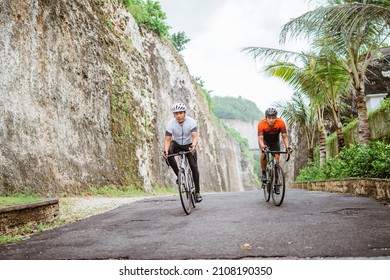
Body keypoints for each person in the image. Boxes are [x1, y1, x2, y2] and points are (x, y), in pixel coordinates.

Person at [162, 102, 202, 203]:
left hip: (189, 144)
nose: (178, 115)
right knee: (169, 152)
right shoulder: (171, 124)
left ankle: (197, 192)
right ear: (173, 115)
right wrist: (165, 151)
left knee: (194, 167)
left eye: (180, 113)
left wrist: (193, 146)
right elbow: (167, 140)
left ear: (185, 113)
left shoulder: (191, 122)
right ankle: (179, 175)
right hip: (177, 144)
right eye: (176, 113)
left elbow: (194, 136)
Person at [258, 108, 292, 193]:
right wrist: (263, 147)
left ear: (276, 118)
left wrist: (288, 147)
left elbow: (284, 137)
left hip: (275, 142)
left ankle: (276, 184)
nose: (271, 120)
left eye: (273, 118)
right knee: (264, 153)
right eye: (269, 118)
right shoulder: (261, 124)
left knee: (276, 161)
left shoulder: (280, 123)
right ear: (266, 118)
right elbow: (260, 138)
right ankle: (263, 173)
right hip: (264, 141)